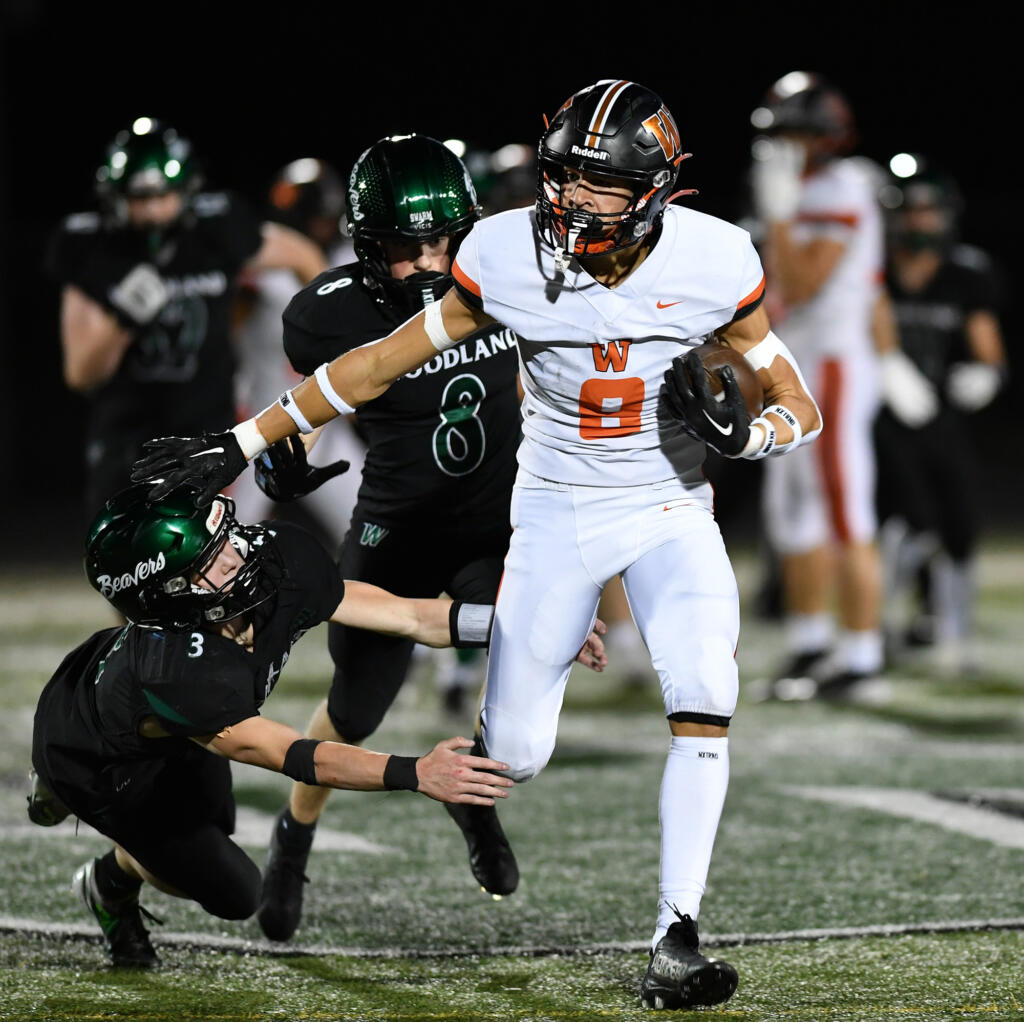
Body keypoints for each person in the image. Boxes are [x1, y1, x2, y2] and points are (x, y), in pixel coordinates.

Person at [131, 79, 823, 1010]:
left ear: (653, 189)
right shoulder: (503, 252)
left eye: (597, 186)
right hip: (550, 512)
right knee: (516, 758)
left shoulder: (715, 257)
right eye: (562, 180)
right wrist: (243, 443)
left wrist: (754, 437)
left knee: (705, 694)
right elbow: (375, 363)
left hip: (669, 504)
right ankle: (452, 774)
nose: (571, 203)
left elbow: (797, 402)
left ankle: (676, 937)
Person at [27, 482, 521, 969]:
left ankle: (112, 865)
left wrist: (521, 632)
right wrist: (416, 773)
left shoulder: (275, 558)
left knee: (216, 823)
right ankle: (105, 879)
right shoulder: (180, 671)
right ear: (168, 596)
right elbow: (303, 756)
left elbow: (409, 616)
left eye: (221, 538)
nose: (234, 557)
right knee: (238, 892)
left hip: (169, 720)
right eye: (207, 563)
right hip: (96, 758)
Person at [247, 134, 526, 942]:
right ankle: (294, 837)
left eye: (445, 240)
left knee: (522, 681)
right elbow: (302, 415)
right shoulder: (327, 314)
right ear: (368, 246)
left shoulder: (506, 273)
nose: (430, 263)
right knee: (355, 709)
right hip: (396, 530)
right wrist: (280, 467)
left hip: (497, 529)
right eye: (407, 249)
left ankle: (471, 800)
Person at [44, 117, 328, 522]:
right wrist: (124, 319)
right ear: (115, 197)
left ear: (187, 190)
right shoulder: (91, 247)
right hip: (127, 440)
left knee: (207, 568)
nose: (153, 211)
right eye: (139, 199)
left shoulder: (216, 228)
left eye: (163, 196)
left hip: (205, 435)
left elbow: (304, 257)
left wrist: (322, 345)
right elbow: (81, 373)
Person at [748, 72, 891, 699]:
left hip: (832, 360)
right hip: (794, 359)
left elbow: (803, 283)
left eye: (799, 133)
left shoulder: (843, 184)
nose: (788, 145)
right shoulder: (797, 187)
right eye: (782, 133)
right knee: (792, 515)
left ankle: (861, 654)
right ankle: (811, 645)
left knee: (841, 506)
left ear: (827, 136)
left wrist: (777, 217)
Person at [874, 155, 1008, 674]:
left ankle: (953, 631)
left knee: (959, 519)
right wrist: (885, 368)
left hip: (940, 414)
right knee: (904, 520)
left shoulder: (966, 272)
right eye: (913, 211)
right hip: (880, 415)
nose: (922, 222)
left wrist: (988, 375)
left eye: (931, 211)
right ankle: (878, 626)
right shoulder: (873, 268)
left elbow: (987, 347)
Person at [230, 156, 366, 549]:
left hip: (325, 427)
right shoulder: (261, 275)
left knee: (368, 531)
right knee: (222, 537)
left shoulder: (347, 261)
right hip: (262, 427)